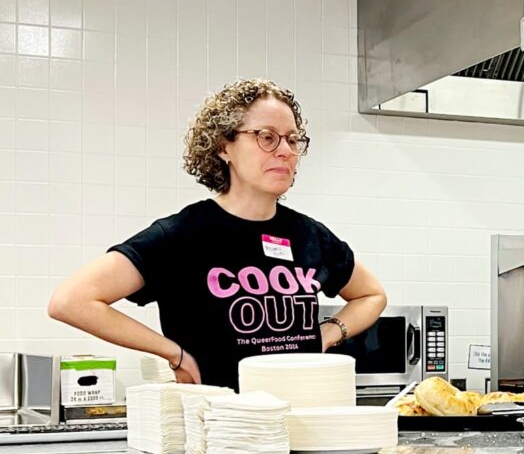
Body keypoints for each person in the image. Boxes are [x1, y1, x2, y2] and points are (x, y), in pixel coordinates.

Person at [48, 79, 387, 390]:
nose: (285, 150)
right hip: (219, 430)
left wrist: (329, 333)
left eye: (293, 139)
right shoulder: (182, 235)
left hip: (298, 419)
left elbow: (371, 295)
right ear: (225, 147)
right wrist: (173, 353)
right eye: (266, 137)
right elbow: (71, 302)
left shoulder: (310, 236)